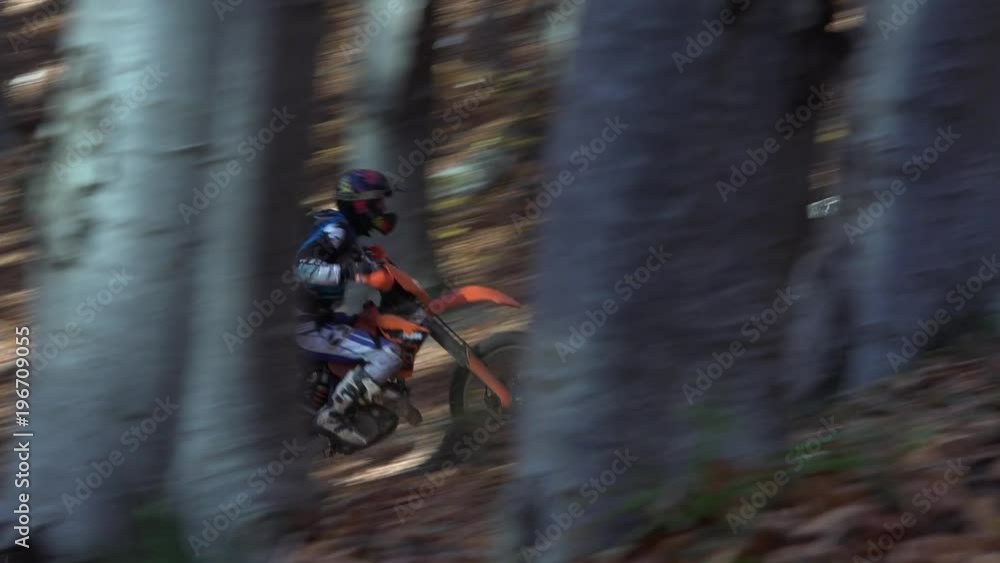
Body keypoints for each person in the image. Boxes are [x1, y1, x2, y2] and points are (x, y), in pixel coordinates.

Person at [295, 169, 404, 447]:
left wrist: (370, 259)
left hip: (319, 316)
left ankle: (359, 401)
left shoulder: (344, 231)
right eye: (377, 203)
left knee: (370, 325)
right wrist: (358, 271)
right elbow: (304, 267)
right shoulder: (336, 229)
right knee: (389, 355)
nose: (382, 209)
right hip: (307, 323)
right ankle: (332, 416)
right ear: (360, 204)